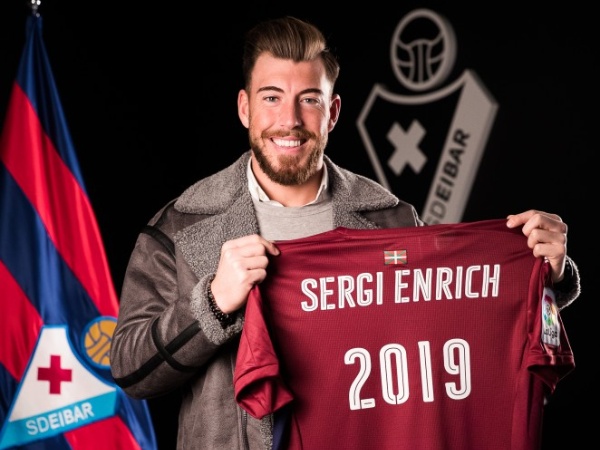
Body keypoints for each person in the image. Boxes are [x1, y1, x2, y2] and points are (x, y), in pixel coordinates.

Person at [109, 16, 581, 450]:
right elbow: (131, 372)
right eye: (271, 97)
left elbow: (457, 334)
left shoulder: (391, 220)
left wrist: (545, 276)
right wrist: (211, 303)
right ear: (244, 108)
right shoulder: (180, 225)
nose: (289, 120)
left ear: (332, 112)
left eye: (308, 100)